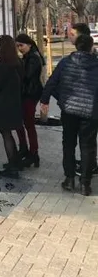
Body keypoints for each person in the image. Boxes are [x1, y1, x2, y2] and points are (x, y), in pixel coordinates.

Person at [41, 34, 98, 196]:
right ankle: (85, 184)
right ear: (91, 47)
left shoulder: (66, 62)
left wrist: (45, 100)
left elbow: (51, 82)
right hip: (91, 113)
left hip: (69, 111)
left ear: (76, 46)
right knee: (88, 147)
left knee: (68, 144)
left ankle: (69, 179)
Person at [0, 35, 23, 179]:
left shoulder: (4, 67)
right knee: (8, 134)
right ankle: (15, 162)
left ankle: (12, 167)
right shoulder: (17, 63)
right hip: (14, 104)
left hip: (3, 106)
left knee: (6, 134)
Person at [68, 23, 98, 177]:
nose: (69, 37)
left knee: (86, 141)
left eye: (73, 34)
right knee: (89, 141)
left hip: (87, 107)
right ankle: (90, 164)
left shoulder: (90, 57)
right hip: (88, 107)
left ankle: (89, 167)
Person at [15, 33, 45, 168]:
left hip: (30, 94)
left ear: (29, 45)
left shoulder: (33, 58)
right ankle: (26, 150)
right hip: (27, 93)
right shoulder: (29, 56)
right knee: (22, 123)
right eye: (17, 46)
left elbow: (26, 76)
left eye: (21, 45)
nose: (19, 48)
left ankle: (33, 153)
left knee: (29, 124)